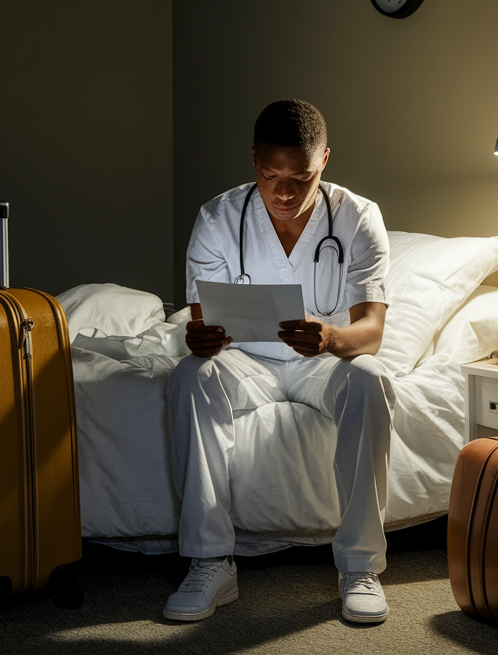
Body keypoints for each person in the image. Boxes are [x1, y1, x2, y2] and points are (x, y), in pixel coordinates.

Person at [163, 98, 395, 625]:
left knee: (369, 379)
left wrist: (332, 336)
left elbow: (372, 332)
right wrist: (199, 338)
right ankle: (209, 562)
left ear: (325, 161)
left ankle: (359, 567)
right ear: (253, 161)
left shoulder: (359, 218)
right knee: (188, 376)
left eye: (301, 178)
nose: (284, 192)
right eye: (270, 176)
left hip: (323, 363)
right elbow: (203, 321)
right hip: (244, 360)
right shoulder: (218, 217)